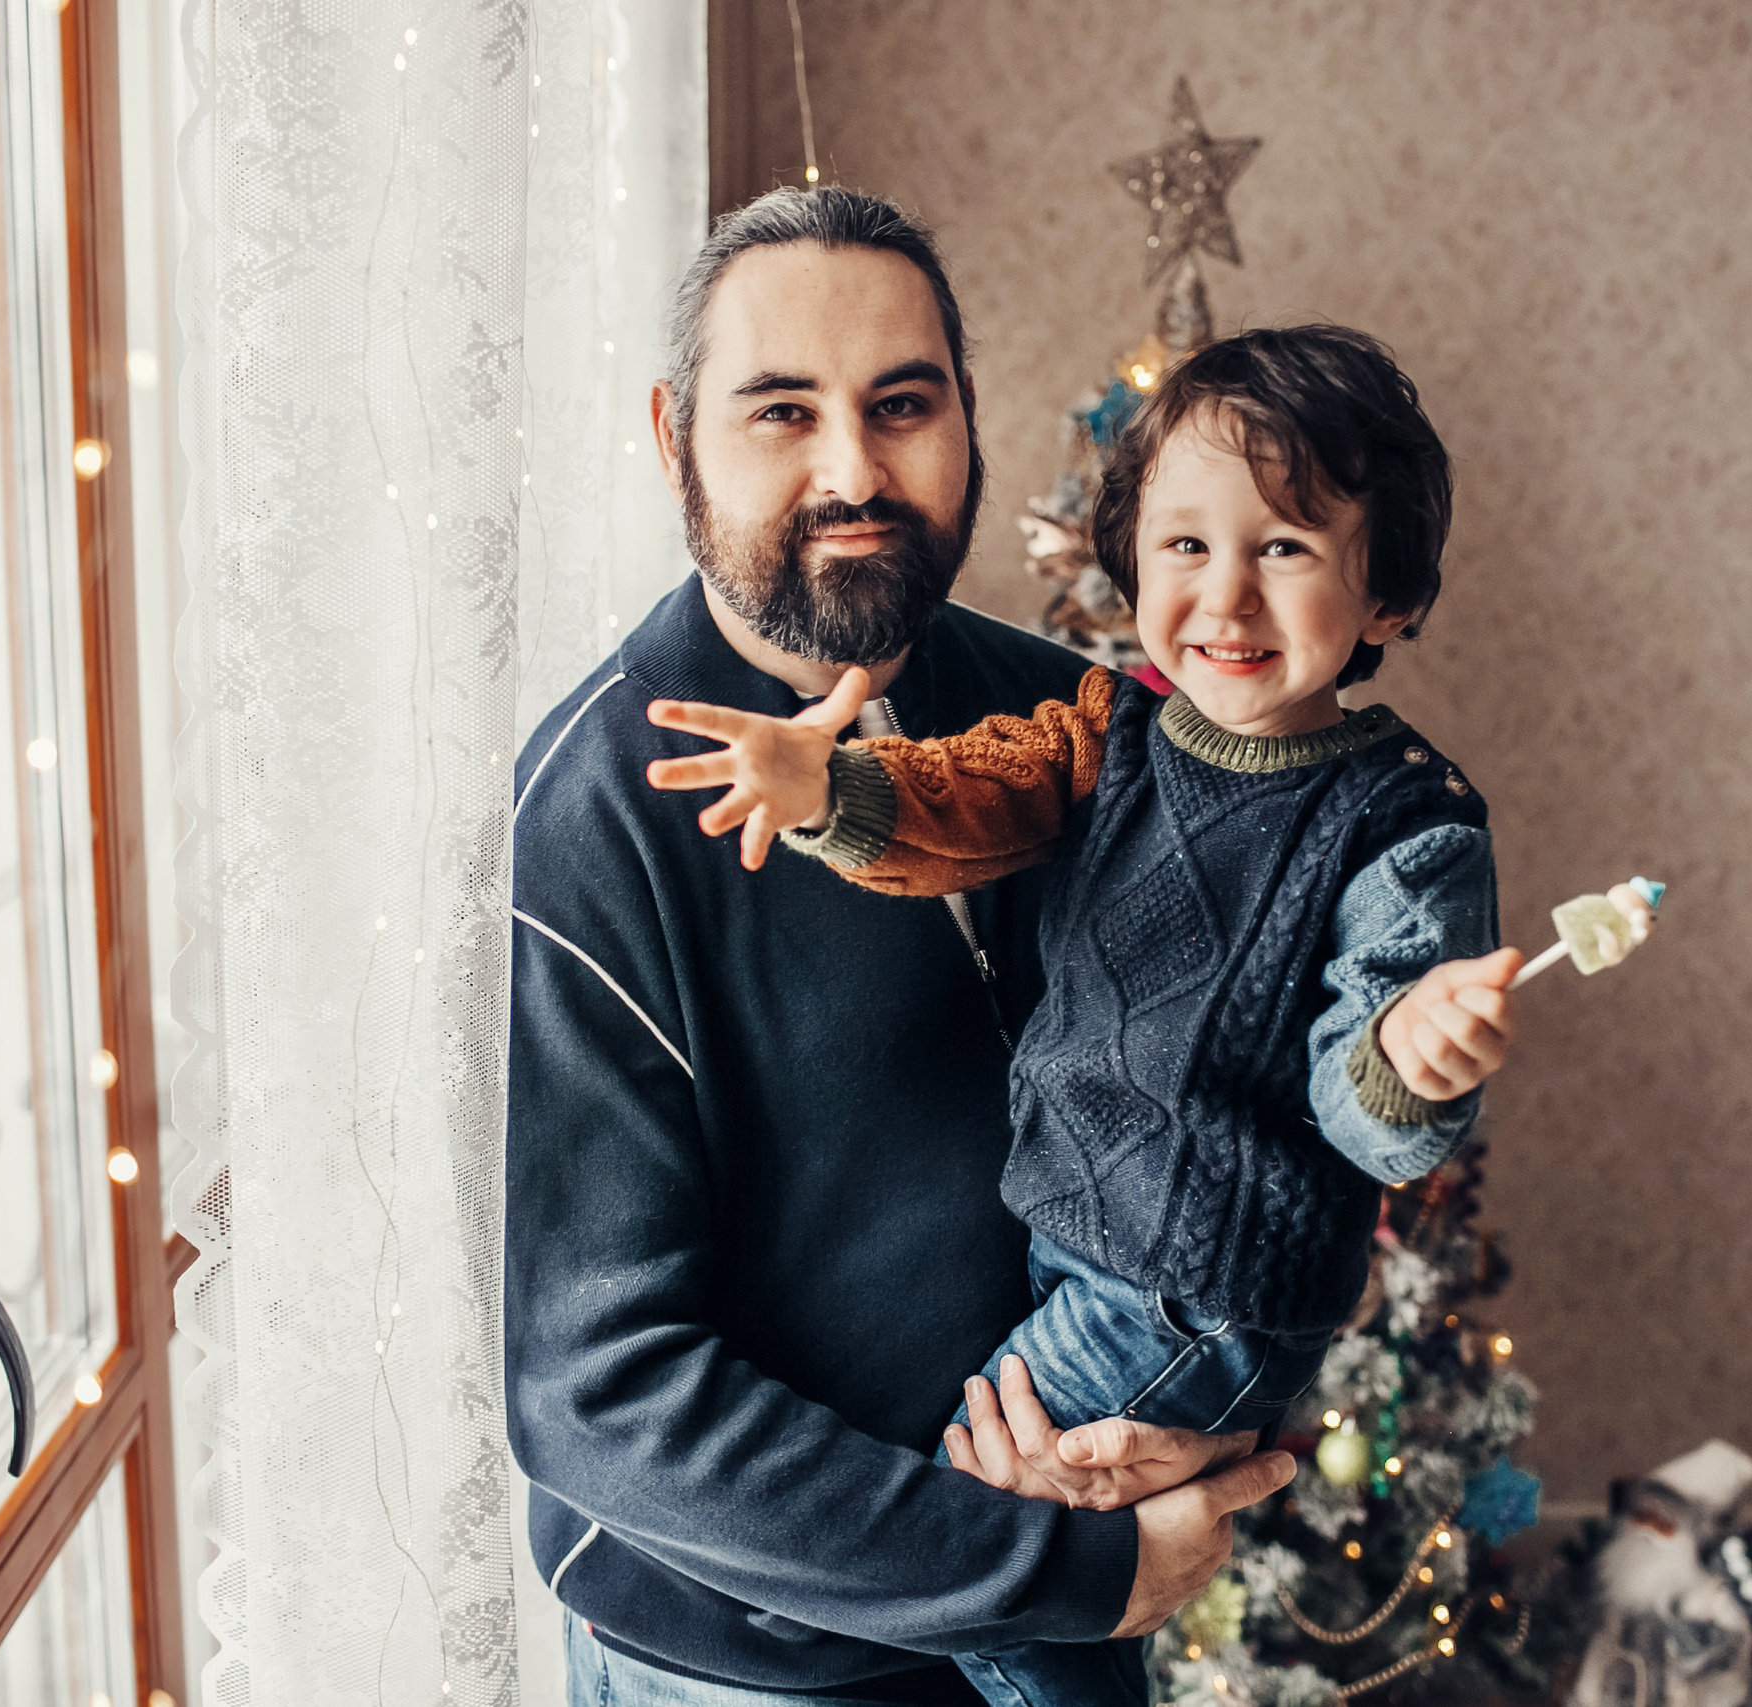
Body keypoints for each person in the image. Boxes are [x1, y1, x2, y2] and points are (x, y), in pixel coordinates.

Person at [644, 325, 1659, 1707]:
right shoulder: (1110, 731)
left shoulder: (1402, 825)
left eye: (1286, 549)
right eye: (1185, 546)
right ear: (1132, 565)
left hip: (1195, 1279)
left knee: (988, 1540)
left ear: (1388, 597)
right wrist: (829, 792)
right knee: (1049, 1557)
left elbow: (1367, 1099)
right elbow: (963, 796)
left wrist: (1415, 1060)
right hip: (1089, 1247)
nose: (1226, 594)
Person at [507, 187, 1298, 1707]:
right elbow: (596, 1391)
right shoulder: (592, 816)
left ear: (967, 418)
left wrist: (1204, 1427)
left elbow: (1240, 1127)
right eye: (782, 412)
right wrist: (1043, 1569)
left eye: (902, 404)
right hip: (758, 1671)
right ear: (675, 437)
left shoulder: (1083, 726)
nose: (854, 469)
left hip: (1074, 1615)